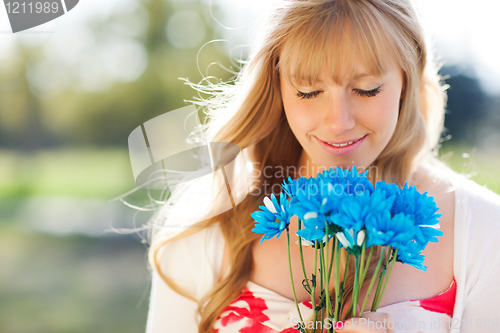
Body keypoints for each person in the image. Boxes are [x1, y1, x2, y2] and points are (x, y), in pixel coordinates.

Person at [144, 0, 500, 332]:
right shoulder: (208, 221)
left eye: (367, 89)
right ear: (276, 85)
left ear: (408, 78)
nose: (338, 123)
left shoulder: (482, 231)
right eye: (309, 92)